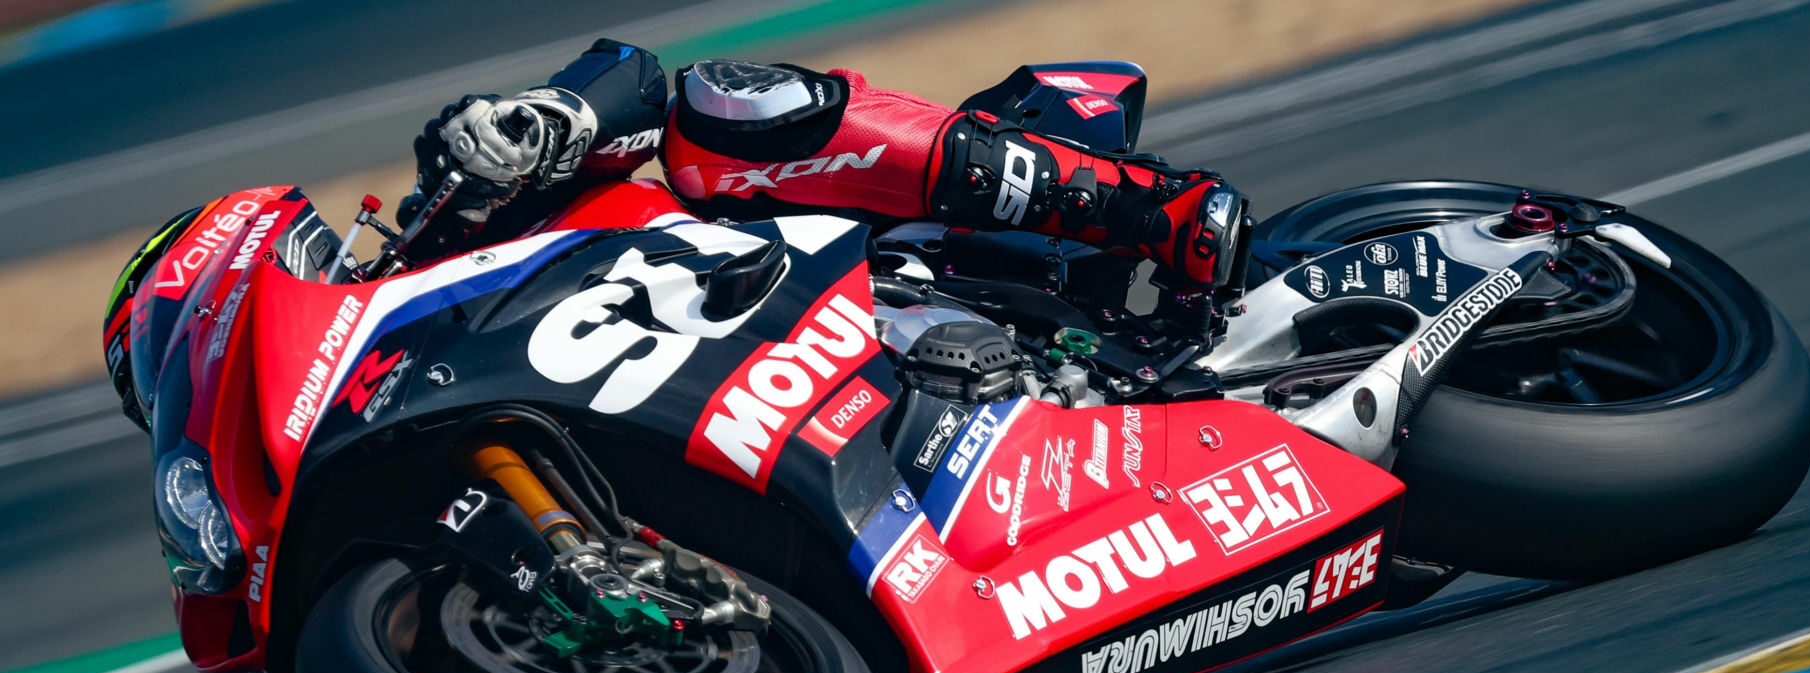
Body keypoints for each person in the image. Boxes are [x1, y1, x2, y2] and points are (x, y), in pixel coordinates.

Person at [400, 40, 1248, 293]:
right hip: (732, 401)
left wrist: (552, 120)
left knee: (710, 119)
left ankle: (1149, 208)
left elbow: (633, 79)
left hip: (804, 253)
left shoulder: (461, 210)